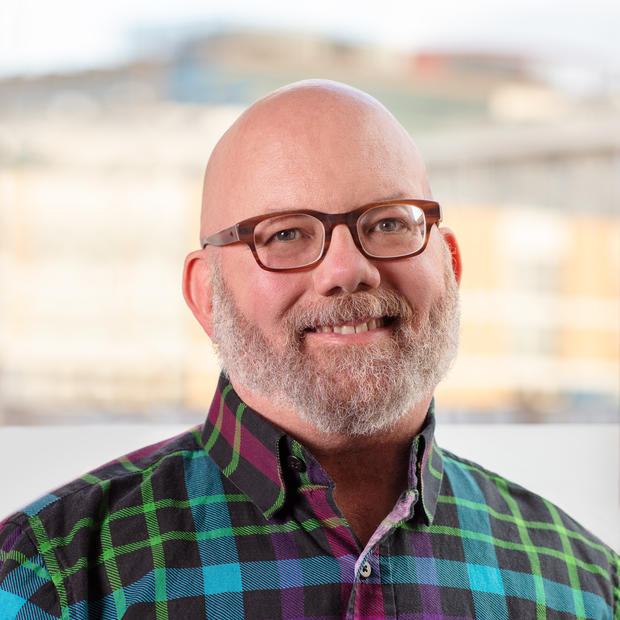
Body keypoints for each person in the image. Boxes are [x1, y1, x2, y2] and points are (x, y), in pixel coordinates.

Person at [0, 80, 617, 619]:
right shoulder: (47, 579)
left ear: (450, 265)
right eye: (287, 233)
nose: (348, 270)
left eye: (389, 223)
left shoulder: (590, 586)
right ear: (206, 296)